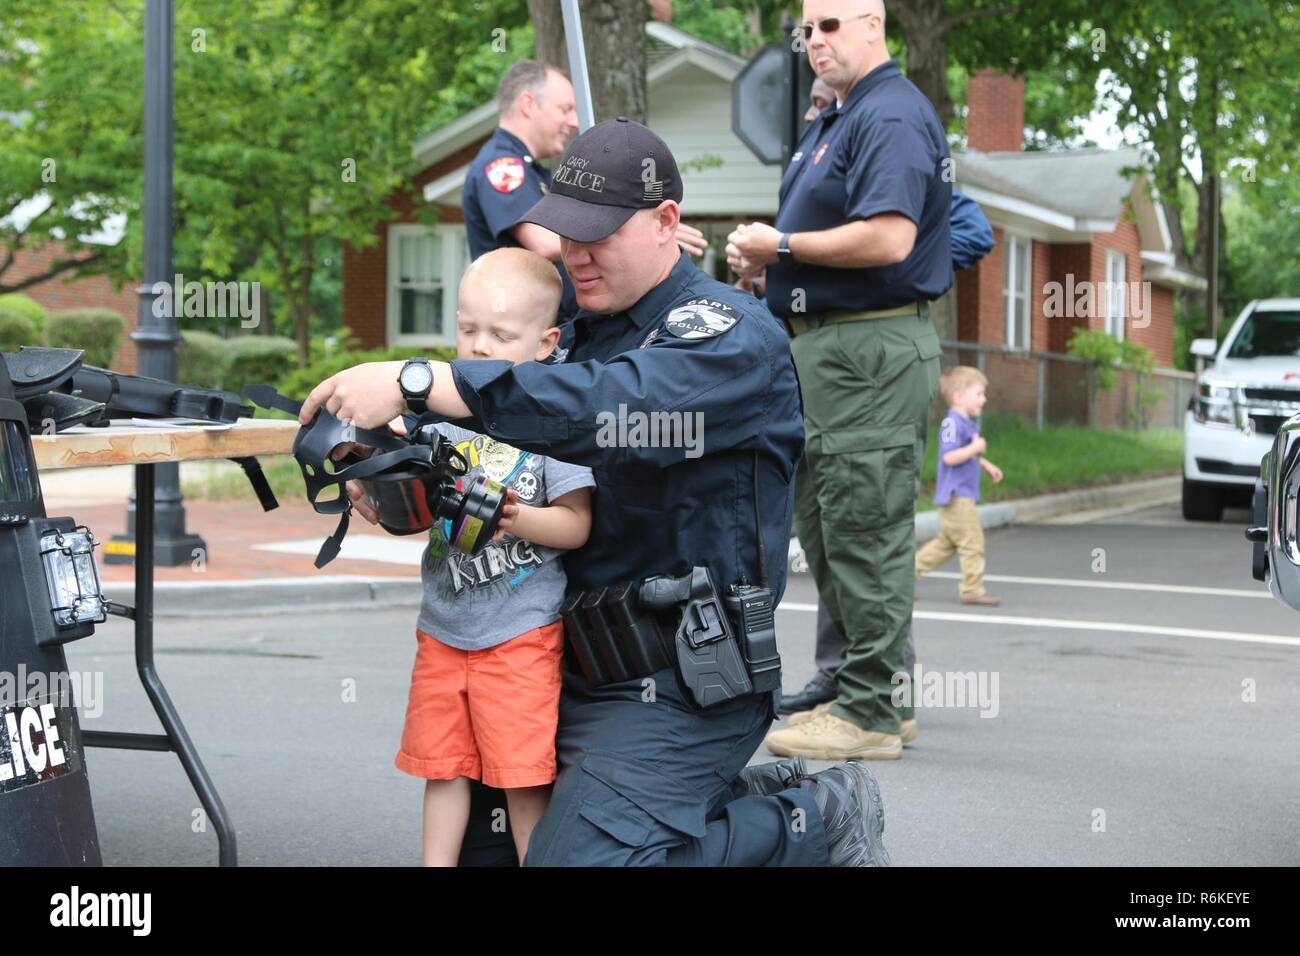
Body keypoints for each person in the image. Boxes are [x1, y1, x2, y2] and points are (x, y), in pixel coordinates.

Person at [301, 117, 889, 866]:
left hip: (685, 687)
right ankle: (701, 807)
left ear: (665, 222)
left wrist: (421, 380)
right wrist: (392, 474)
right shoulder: (572, 336)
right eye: (567, 233)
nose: (576, 254)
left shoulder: (730, 337)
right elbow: (505, 442)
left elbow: (608, 409)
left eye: (599, 234)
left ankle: (811, 821)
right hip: (559, 664)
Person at [727, 0, 952, 762]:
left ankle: (872, 712)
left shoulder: (886, 113)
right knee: (830, 531)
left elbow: (888, 238)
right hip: (831, 349)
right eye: (806, 29)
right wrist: (773, 268)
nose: (814, 40)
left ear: (871, 24)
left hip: (867, 353)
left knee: (864, 531)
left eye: (829, 24)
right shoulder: (846, 114)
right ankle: (876, 692)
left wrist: (780, 240)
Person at [388, 248, 596, 865]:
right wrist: (372, 477)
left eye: (501, 334)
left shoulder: (559, 422)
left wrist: (515, 517)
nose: (478, 347)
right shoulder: (441, 420)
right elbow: (411, 507)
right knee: (443, 768)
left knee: (522, 778)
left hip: (519, 636)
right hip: (443, 630)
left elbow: (577, 525)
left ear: (546, 341)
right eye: (468, 329)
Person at [463, 59, 707, 323]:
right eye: (565, 109)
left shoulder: (532, 170)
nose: (574, 122)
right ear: (528, 104)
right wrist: (637, 235)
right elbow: (542, 242)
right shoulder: (502, 167)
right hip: (517, 331)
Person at [914, 365, 1003, 605]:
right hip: (957, 497)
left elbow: (966, 454)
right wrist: (975, 448)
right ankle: (972, 590)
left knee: (945, 545)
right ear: (958, 396)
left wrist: (984, 463)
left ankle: (902, 579)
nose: (983, 399)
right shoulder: (951, 425)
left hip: (961, 496)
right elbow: (949, 457)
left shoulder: (965, 424)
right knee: (972, 542)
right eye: (978, 394)